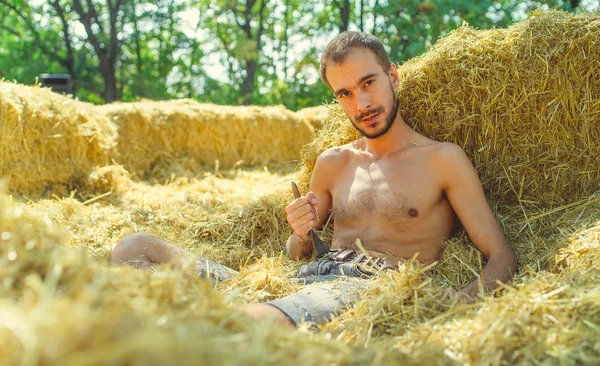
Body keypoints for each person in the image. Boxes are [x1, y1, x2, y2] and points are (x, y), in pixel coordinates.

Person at [111, 32, 517, 328]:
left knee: (243, 323)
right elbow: (297, 252)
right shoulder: (333, 162)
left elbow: (501, 255)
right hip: (300, 280)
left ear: (393, 77)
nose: (362, 104)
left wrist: (461, 301)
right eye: (344, 93)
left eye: (368, 83)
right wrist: (302, 234)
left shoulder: (442, 160)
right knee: (135, 247)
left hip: (366, 288)